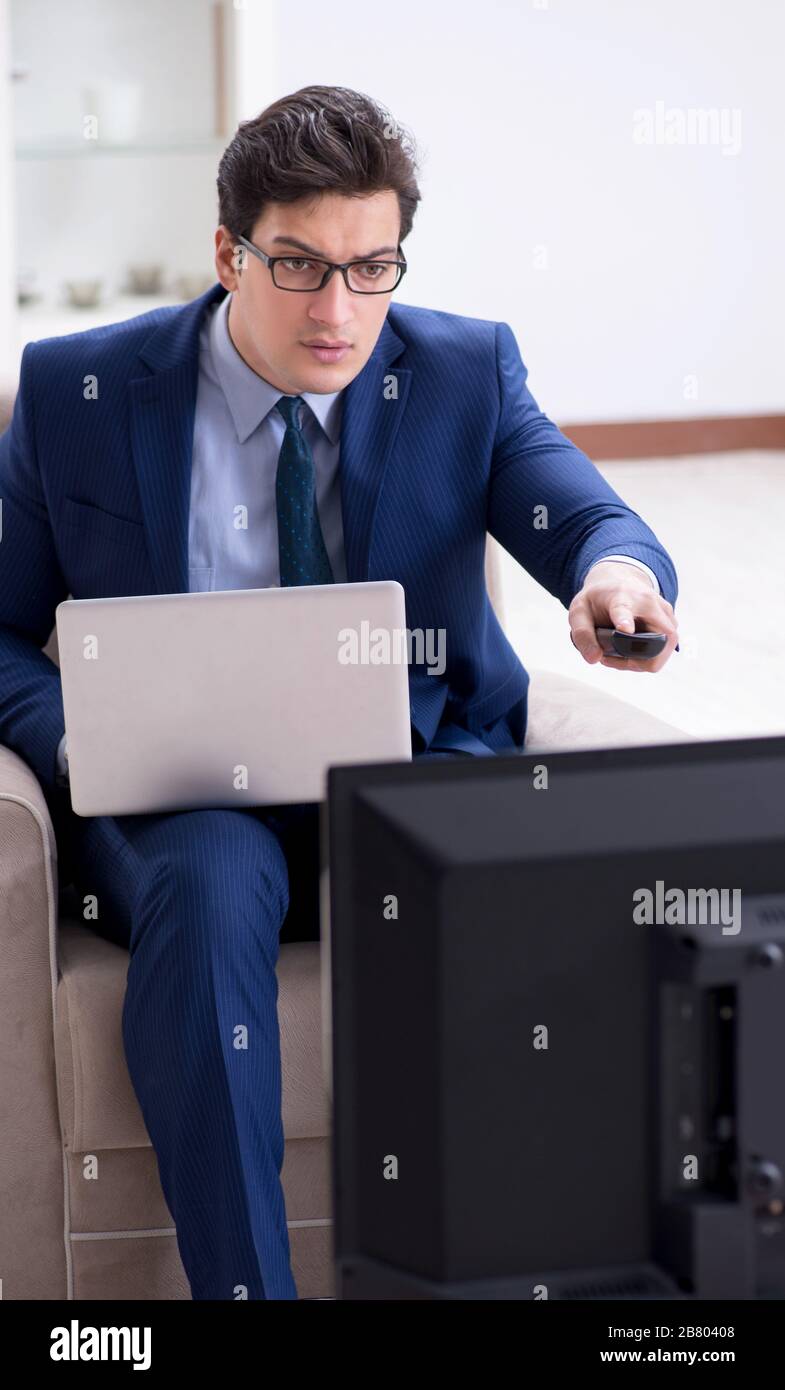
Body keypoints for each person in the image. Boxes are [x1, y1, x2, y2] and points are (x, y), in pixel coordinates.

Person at [0, 85, 679, 1300]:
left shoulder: (464, 369)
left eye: (372, 269)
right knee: (209, 889)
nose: (337, 311)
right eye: (301, 266)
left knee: (546, 891)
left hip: (407, 774)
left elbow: (585, 514)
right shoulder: (76, 393)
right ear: (228, 252)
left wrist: (613, 579)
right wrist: (89, 733)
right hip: (188, 801)